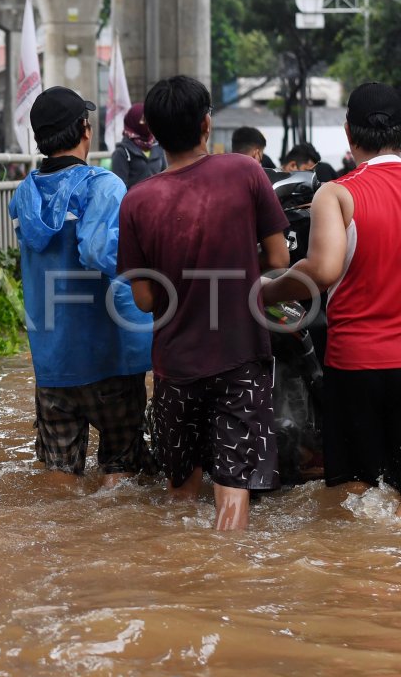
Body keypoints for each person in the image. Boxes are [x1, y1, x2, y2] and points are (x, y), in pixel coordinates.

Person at [263, 82, 401, 522]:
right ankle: (395, 569)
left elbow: (324, 269)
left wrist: (268, 290)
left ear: (348, 132)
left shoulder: (336, 193)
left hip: (357, 365)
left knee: (353, 489)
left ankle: (355, 579)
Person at [119, 76, 289, 530]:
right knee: (233, 492)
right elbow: (279, 261)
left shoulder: (137, 201)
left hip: (175, 366)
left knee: (179, 494)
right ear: (206, 124)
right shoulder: (246, 172)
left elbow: (142, 299)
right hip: (241, 357)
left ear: (152, 134)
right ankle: (225, 581)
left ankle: (182, 583)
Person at [8, 86, 152, 485]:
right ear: (85, 129)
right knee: (120, 472)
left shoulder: (23, 193)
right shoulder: (103, 185)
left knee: (59, 476)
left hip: (53, 360)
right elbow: (99, 252)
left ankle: (58, 544)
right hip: (110, 355)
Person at [110, 102, 166, 188]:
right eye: (144, 119)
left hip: (158, 200)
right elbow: (119, 189)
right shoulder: (122, 153)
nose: (148, 123)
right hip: (134, 201)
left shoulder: (157, 146)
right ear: (134, 121)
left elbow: (165, 178)